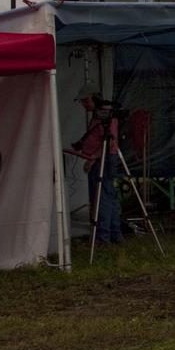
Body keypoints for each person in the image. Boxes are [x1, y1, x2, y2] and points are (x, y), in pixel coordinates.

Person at [68, 91, 123, 245]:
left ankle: (103, 237)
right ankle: (113, 234)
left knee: (101, 198)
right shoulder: (99, 114)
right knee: (107, 196)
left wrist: (92, 159)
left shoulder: (105, 114)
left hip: (102, 159)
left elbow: (108, 142)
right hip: (101, 157)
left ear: (96, 99)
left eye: (86, 101)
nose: (84, 105)